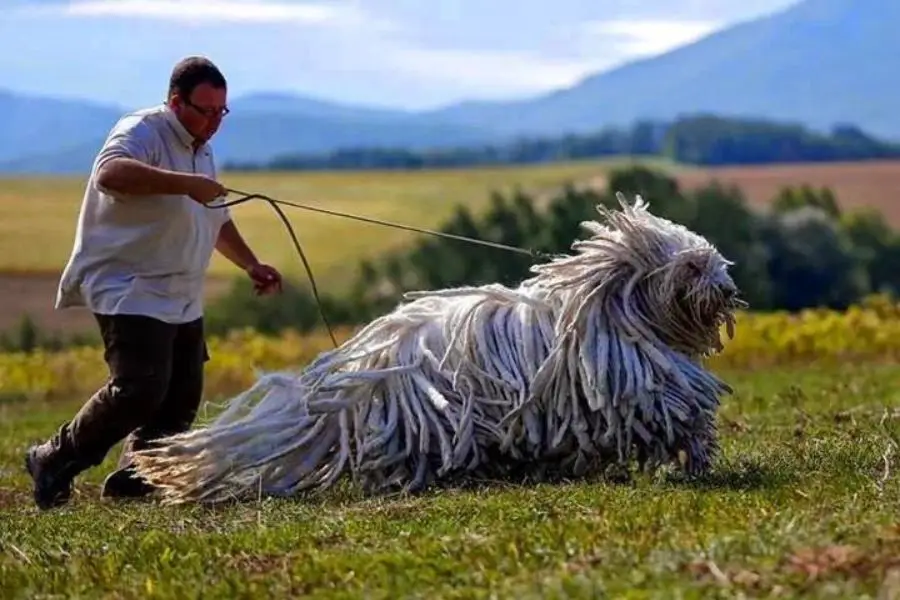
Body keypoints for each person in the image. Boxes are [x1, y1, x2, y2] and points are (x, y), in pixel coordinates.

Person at [24, 56, 284, 510]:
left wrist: (250, 264)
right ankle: (53, 459)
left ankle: (137, 477)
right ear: (174, 101)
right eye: (204, 110)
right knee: (139, 388)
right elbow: (110, 174)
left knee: (181, 397)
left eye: (221, 112)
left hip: (182, 290)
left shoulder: (202, 147)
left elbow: (214, 219)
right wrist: (185, 183)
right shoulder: (142, 131)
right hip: (129, 283)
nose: (213, 122)